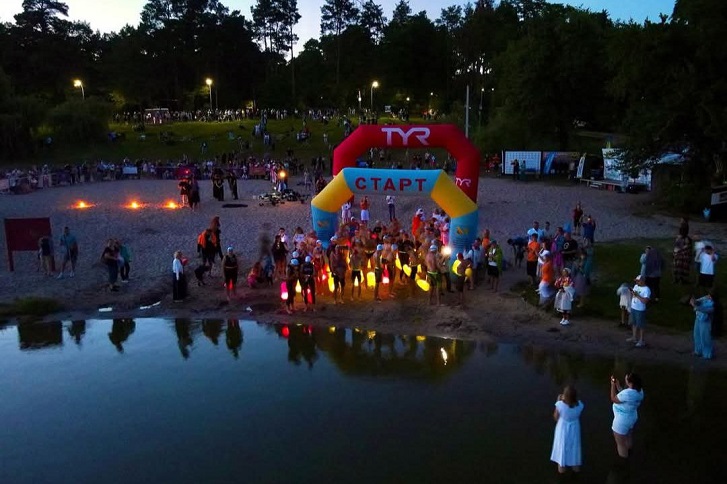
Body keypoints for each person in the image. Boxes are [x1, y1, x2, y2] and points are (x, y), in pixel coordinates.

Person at [550, 386, 584, 475]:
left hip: (563, 429)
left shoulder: (560, 405)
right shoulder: (580, 405)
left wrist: (558, 400)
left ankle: (562, 470)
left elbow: (555, 417)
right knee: (574, 448)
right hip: (574, 429)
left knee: (562, 448)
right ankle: (575, 469)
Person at [610, 372, 644, 459]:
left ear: (630, 383)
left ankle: (624, 461)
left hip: (621, 421)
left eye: (626, 379)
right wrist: (618, 385)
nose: (625, 380)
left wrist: (612, 385)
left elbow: (613, 399)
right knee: (628, 437)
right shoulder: (640, 391)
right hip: (631, 418)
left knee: (621, 444)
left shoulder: (628, 394)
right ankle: (630, 452)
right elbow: (625, 396)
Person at [628, 275, 650, 347]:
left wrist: (637, 295)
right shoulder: (636, 286)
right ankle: (634, 337)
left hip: (640, 310)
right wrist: (632, 293)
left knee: (641, 325)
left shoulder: (646, 289)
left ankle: (641, 340)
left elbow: (645, 301)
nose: (636, 282)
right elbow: (633, 294)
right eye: (636, 281)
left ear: (642, 281)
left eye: (638, 281)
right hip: (633, 307)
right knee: (634, 323)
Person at [691, 292, 714, 359]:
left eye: (710, 296)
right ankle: (698, 351)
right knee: (696, 335)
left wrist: (695, 306)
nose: (708, 296)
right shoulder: (705, 298)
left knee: (705, 337)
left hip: (705, 320)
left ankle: (707, 354)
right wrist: (694, 301)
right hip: (698, 318)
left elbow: (707, 310)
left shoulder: (713, 303)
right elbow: (697, 301)